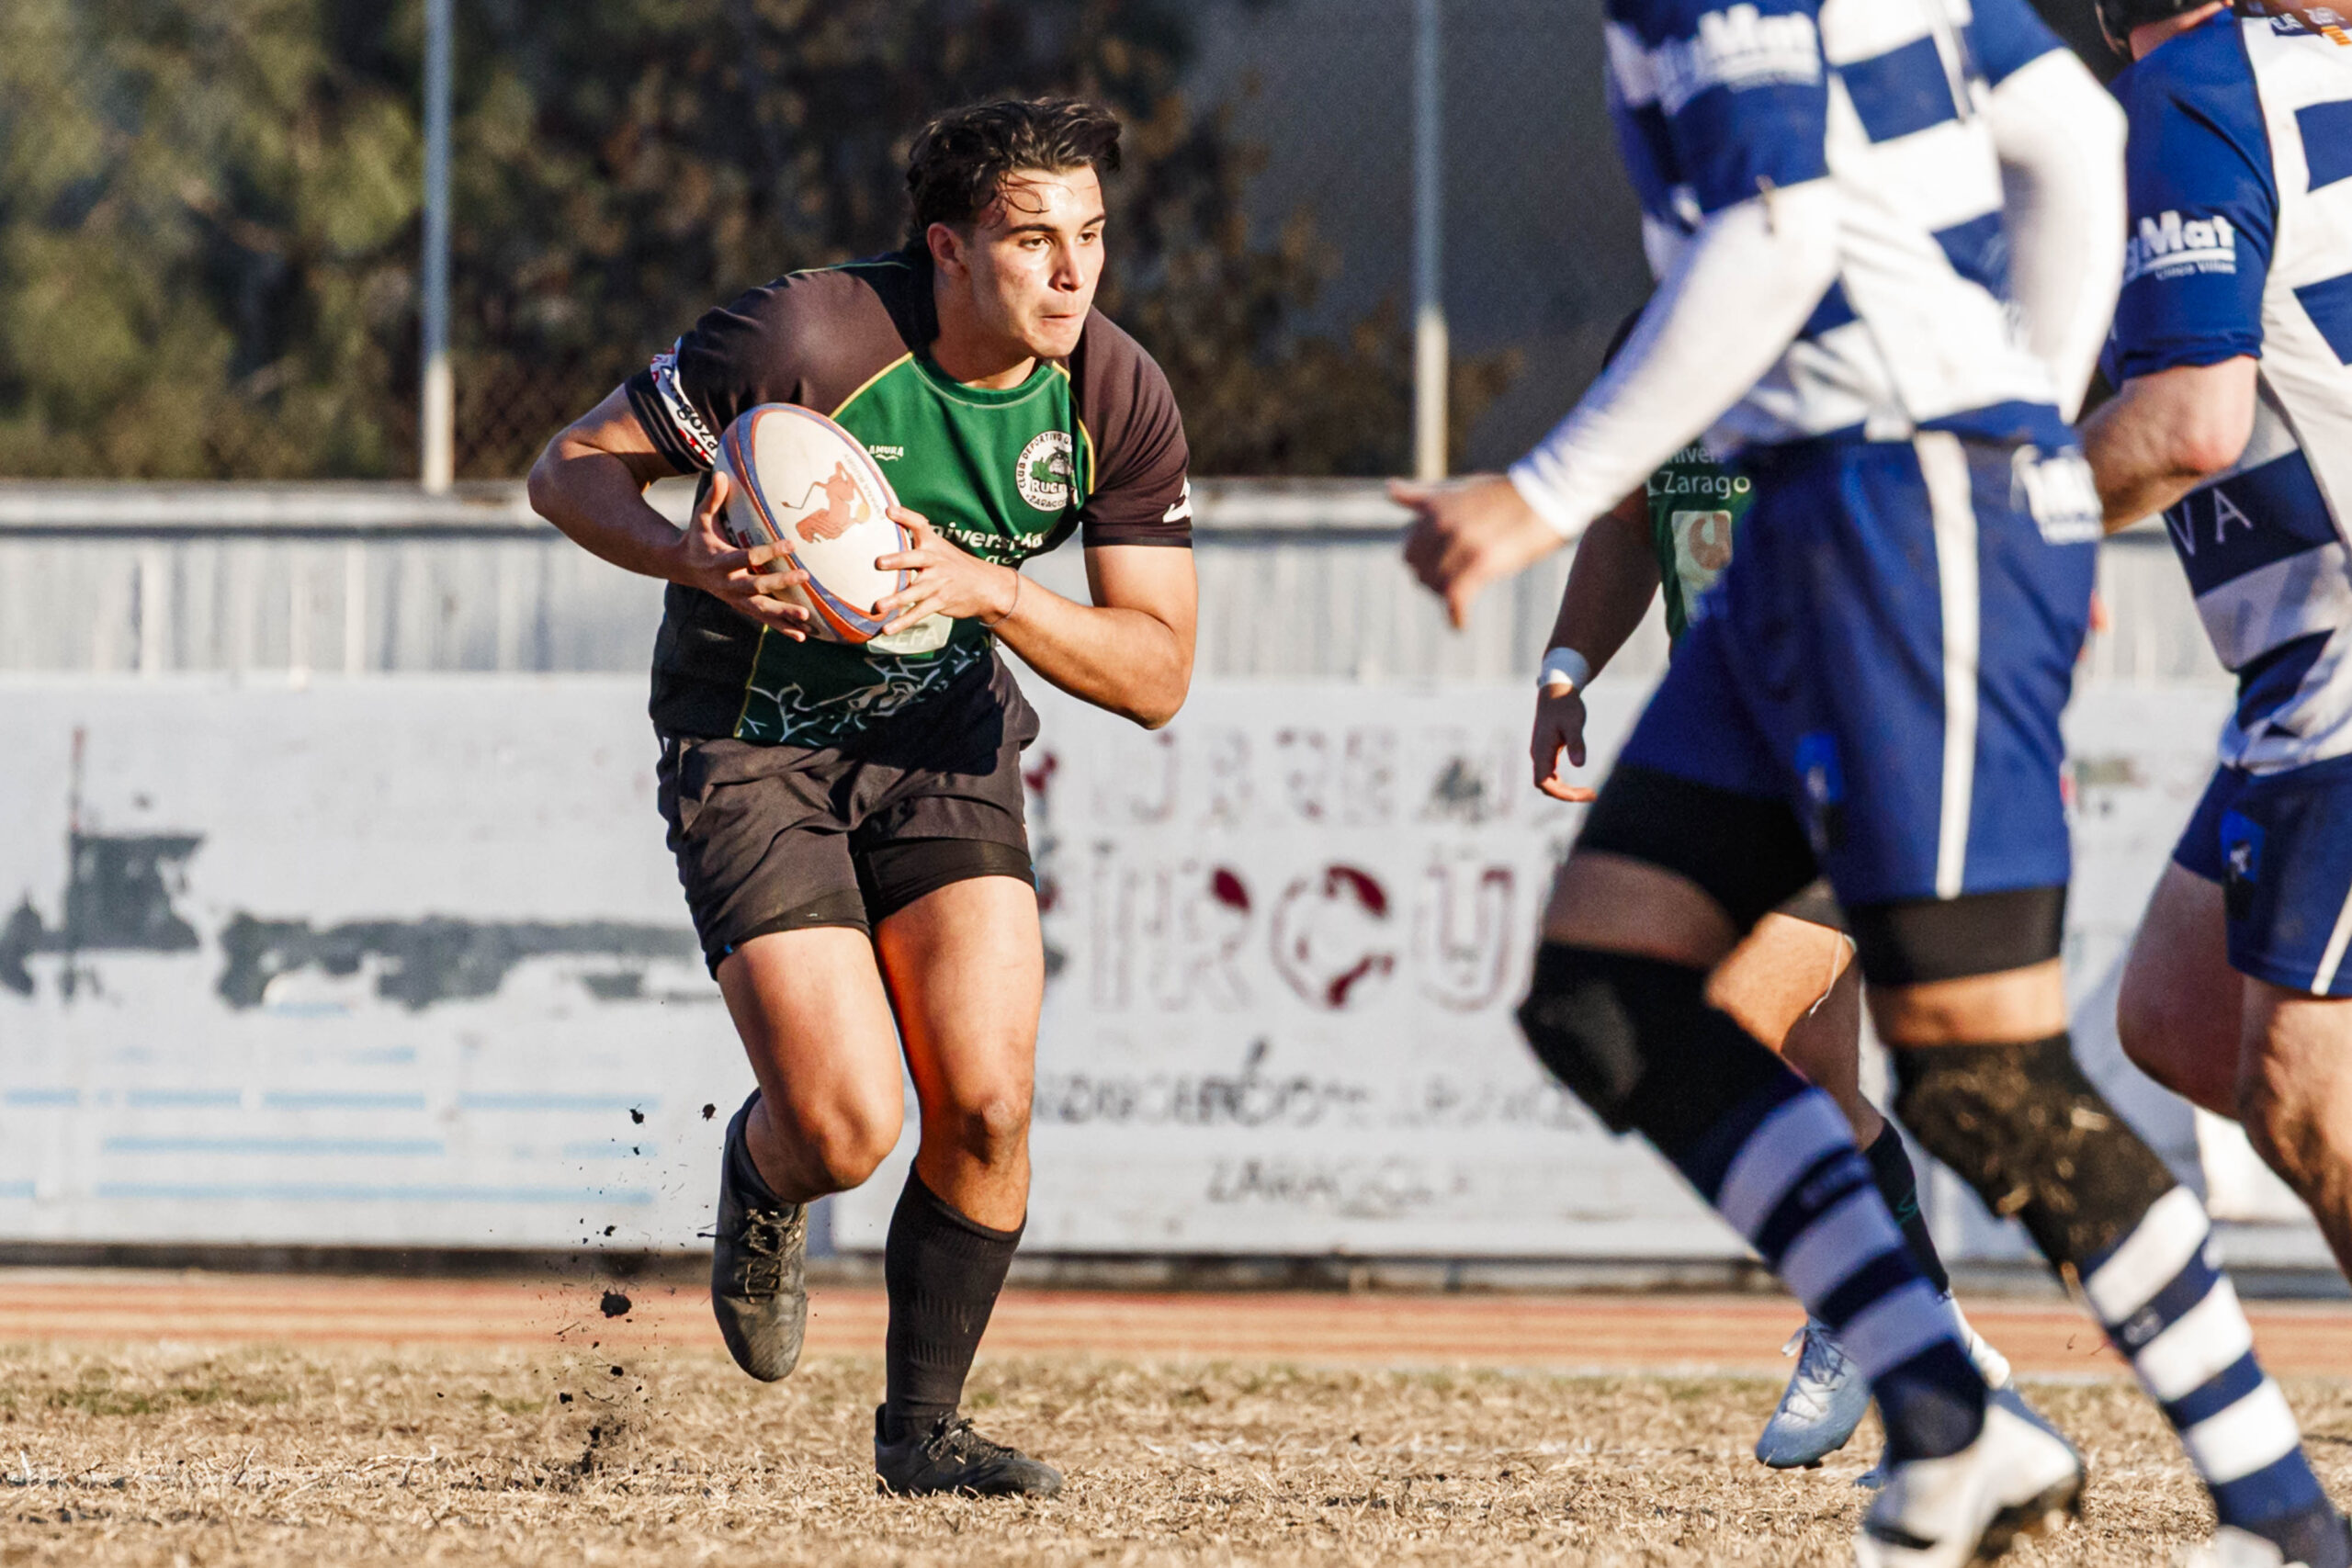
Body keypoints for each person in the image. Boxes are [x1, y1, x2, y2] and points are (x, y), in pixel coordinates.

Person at [1393, 0, 2351, 1552]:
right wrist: (2034, 432)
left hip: (1898, 511)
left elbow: (1774, 236)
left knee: (1983, 1069)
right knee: (1604, 983)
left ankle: (2279, 1511)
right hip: (1826, 515)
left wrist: (1537, 490)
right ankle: (1947, 1409)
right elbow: (2071, 136)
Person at [526, 98, 1197, 1497]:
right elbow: (568, 470)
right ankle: (764, 1176)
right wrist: (697, 562)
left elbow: (1156, 672)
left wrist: (990, 588)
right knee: (845, 1122)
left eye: (1092, 237)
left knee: (991, 1099)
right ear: (949, 250)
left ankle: (923, 1432)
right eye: (1033, 241)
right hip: (753, 740)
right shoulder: (806, 344)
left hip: (939, 733)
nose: (1072, 273)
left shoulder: (1112, 394)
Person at [1535, 318, 2009, 1478]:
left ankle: (1869, 1318)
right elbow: (1625, 524)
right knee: (1818, 1088)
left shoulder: (1860, 324)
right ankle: (1926, 1339)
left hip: (1865, 748)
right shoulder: (1653, 337)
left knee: (1712, 1025)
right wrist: (1565, 670)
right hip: (1740, 766)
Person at [2083, 0, 2352, 1329]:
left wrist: (2009, 526)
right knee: (2180, 1009)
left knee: (2303, 1094)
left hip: (2344, 647)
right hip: (2298, 661)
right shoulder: (2293, 72)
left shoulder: (2189, 91)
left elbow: (2191, 419)